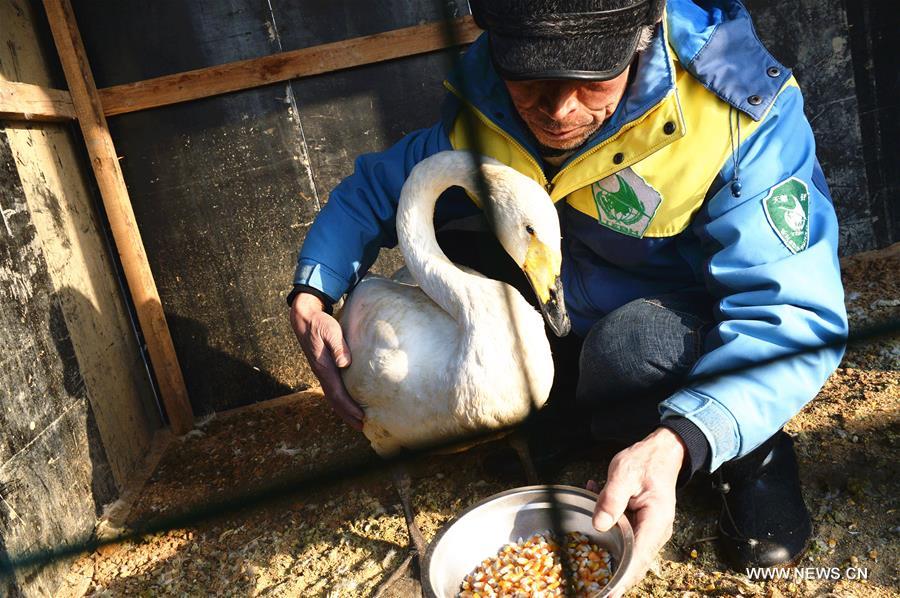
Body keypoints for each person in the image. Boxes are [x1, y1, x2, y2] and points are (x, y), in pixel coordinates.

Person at [288, 0, 848, 591]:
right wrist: (313, 288)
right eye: (531, 77)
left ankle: (739, 442)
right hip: (561, 308)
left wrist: (686, 438)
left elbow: (790, 313)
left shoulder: (738, 117)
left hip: (673, 328)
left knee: (628, 349)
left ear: (641, 36)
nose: (557, 111)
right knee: (480, 294)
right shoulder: (487, 100)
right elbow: (381, 187)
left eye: (587, 80)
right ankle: (589, 420)